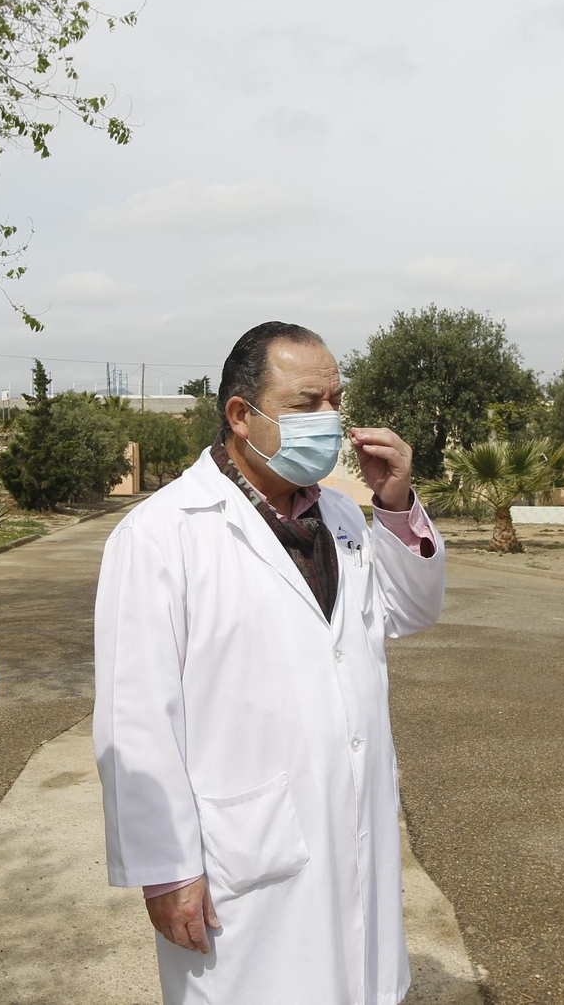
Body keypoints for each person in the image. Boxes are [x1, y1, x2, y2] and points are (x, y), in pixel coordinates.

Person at [93, 322, 446, 1005]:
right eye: (308, 402)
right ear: (240, 415)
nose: (331, 420)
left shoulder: (343, 518)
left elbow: (408, 612)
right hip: (242, 862)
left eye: (336, 401)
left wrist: (396, 504)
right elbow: (134, 717)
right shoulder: (161, 535)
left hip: (351, 840)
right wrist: (165, 870)